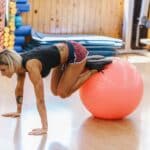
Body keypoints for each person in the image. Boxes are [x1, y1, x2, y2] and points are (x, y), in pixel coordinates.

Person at [0, 41, 112, 135]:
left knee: (63, 93)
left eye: (3, 70)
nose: (2, 74)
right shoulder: (19, 64)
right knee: (54, 91)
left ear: (11, 64)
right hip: (62, 58)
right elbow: (19, 87)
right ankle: (81, 66)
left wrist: (44, 128)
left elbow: (40, 100)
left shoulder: (31, 65)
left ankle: (91, 69)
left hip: (75, 52)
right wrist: (18, 111)